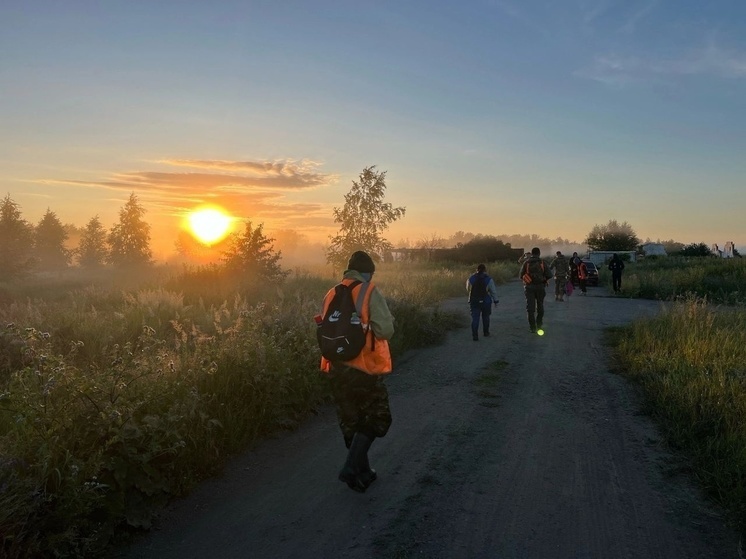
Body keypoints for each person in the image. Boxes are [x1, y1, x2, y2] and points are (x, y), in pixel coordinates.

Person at [319, 251, 395, 493]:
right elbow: (384, 330)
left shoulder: (332, 292)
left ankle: (362, 474)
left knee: (351, 421)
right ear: (368, 272)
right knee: (378, 418)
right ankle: (351, 468)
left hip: (335, 366)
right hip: (363, 368)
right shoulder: (368, 291)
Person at [519, 247, 552, 333]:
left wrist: (528, 280)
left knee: (530, 308)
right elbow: (550, 274)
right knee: (540, 306)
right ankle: (539, 324)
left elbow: (520, 275)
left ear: (532, 253)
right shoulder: (542, 262)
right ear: (539, 253)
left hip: (529, 287)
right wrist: (544, 280)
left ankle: (532, 327)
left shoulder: (526, 262)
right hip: (540, 287)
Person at [466, 263, 499, 341]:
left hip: (474, 300)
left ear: (476, 270)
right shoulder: (489, 279)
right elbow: (493, 291)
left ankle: (475, 336)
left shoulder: (471, 278)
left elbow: (468, 289)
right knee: (486, 317)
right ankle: (486, 332)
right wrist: (496, 301)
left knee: (475, 318)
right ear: (485, 270)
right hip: (486, 301)